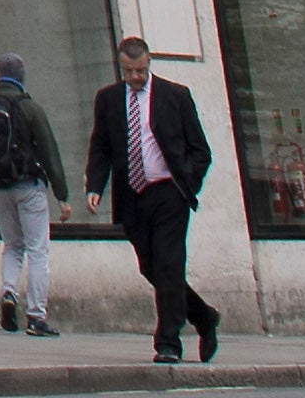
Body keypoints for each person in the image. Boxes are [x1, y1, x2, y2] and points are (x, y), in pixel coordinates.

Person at [88, 32, 224, 365]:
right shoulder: (107, 99)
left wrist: (187, 184)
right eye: (129, 71)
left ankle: (168, 342)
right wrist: (95, 186)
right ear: (120, 67)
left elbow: (200, 150)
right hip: (132, 195)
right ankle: (204, 316)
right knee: (151, 267)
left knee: (169, 264)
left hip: (169, 193)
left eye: (141, 70)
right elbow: (101, 146)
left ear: (149, 63)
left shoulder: (174, 96)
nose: (135, 77)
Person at [0, 50, 67, 334]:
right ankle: (36, 316)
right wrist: (62, 195)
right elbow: (49, 152)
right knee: (38, 250)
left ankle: (9, 293)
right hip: (28, 186)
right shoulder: (29, 108)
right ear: (21, 76)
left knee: (12, 245)